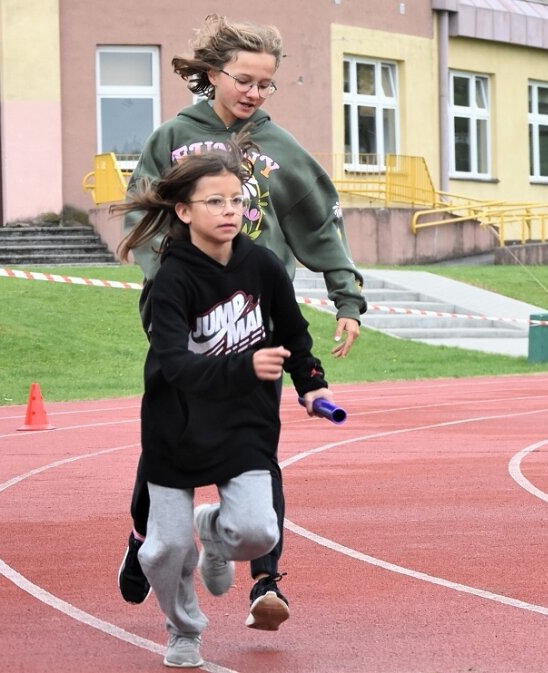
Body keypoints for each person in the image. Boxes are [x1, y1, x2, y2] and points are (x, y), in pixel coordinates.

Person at [117, 14, 367, 630]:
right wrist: (167, 279)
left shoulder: (279, 148)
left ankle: (265, 580)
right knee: (174, 429)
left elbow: (318, 221)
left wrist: (346, 296)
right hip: (183, 312)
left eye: (265, 83)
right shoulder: (174, 136)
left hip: (255, 316)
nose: (254, 91)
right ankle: (141, 534)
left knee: (256, 436)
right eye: (243, 79)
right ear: (213, 74)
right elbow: (141, 214)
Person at [114, 137, 335, 668]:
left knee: (259, 531)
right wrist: (245, 366)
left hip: (243, 425)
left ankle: (213, 531)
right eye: (215, 201)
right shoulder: (172, 280)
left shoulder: (263, 266)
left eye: (237, 200)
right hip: (177, 428)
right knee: (165, 551)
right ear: (185, 211)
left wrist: (311, 383)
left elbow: (295, 334)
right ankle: (184, 628)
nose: (230, 211)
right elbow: (174, 366)